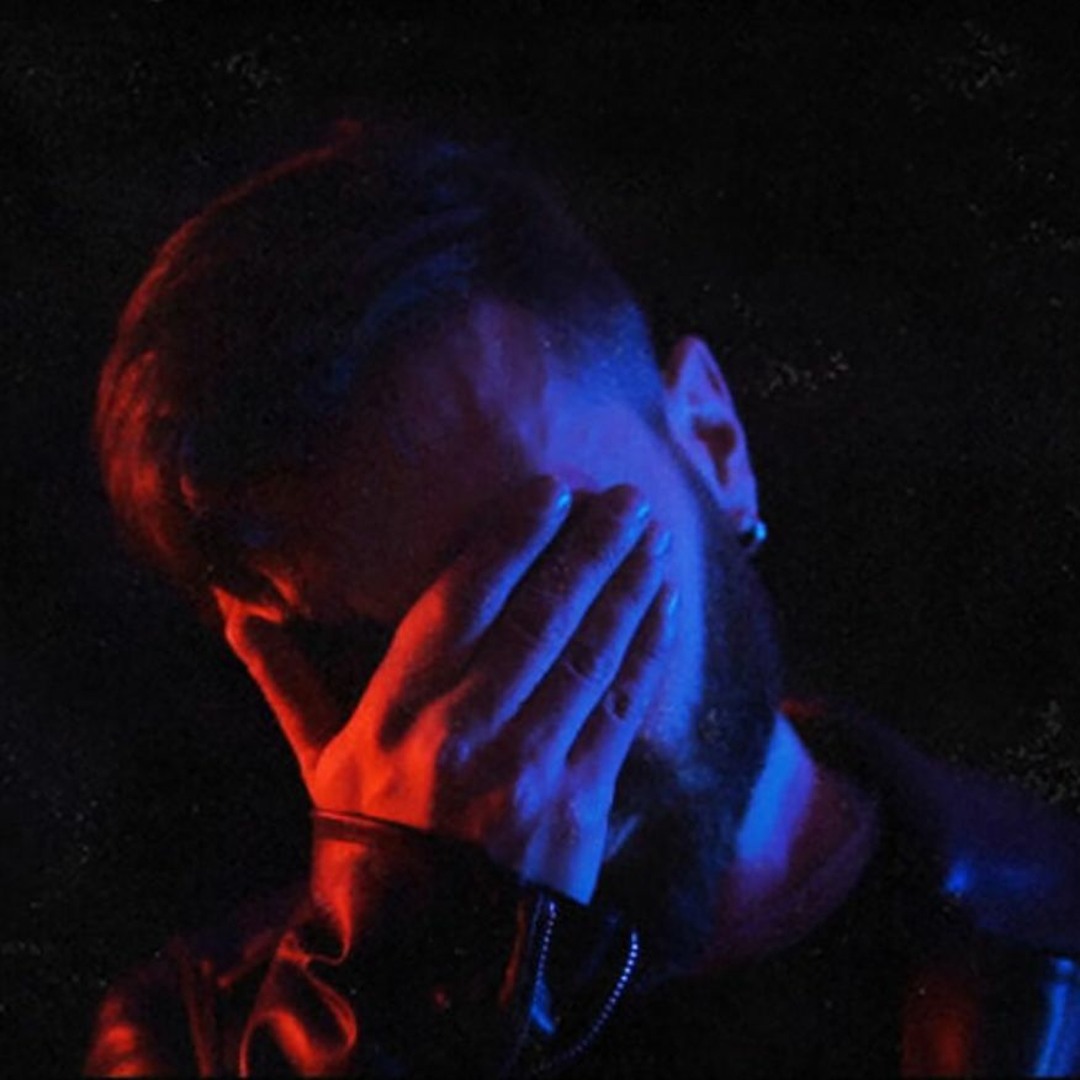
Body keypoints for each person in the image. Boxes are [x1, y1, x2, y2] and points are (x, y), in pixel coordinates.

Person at [85, 121, 1080, 1076]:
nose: (514, 731)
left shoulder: (1055, 927)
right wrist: (388, 1027)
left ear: (714, 446)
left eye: (557, 570)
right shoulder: (194, 1046)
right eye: (401, 658)